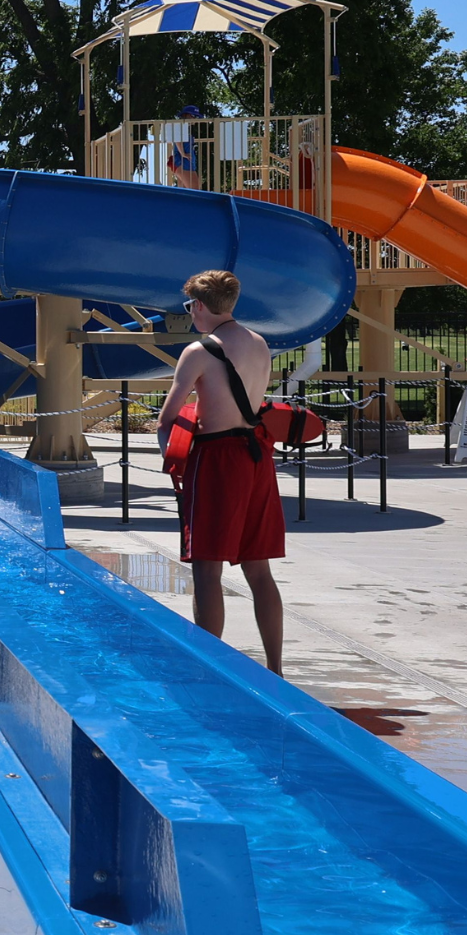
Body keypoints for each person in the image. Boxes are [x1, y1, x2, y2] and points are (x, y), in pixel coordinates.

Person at [154, 269, 285, 673]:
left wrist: (174, 463)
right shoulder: (259, 344)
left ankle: (209, 668)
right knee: (258, 569)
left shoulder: (198, 352)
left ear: (197, 305)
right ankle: (275, 668)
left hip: (216, 458)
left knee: (207, 569)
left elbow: (167, 420)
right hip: (256, 457)